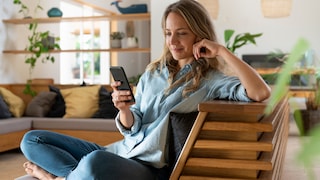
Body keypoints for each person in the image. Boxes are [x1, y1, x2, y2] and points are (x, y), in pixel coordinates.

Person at [20, 0, 271, 180]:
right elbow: (134, 121)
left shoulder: (212, 80)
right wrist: (124, 109)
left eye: (182, 33)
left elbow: (260, 93)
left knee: (94, 162)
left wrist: (223, 52)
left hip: (148, 166)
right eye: (168, 33)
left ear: (200, 34)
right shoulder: (153, 71)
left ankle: (57, 178)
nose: (172, 41)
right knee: (31, 141)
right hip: (118, 151)